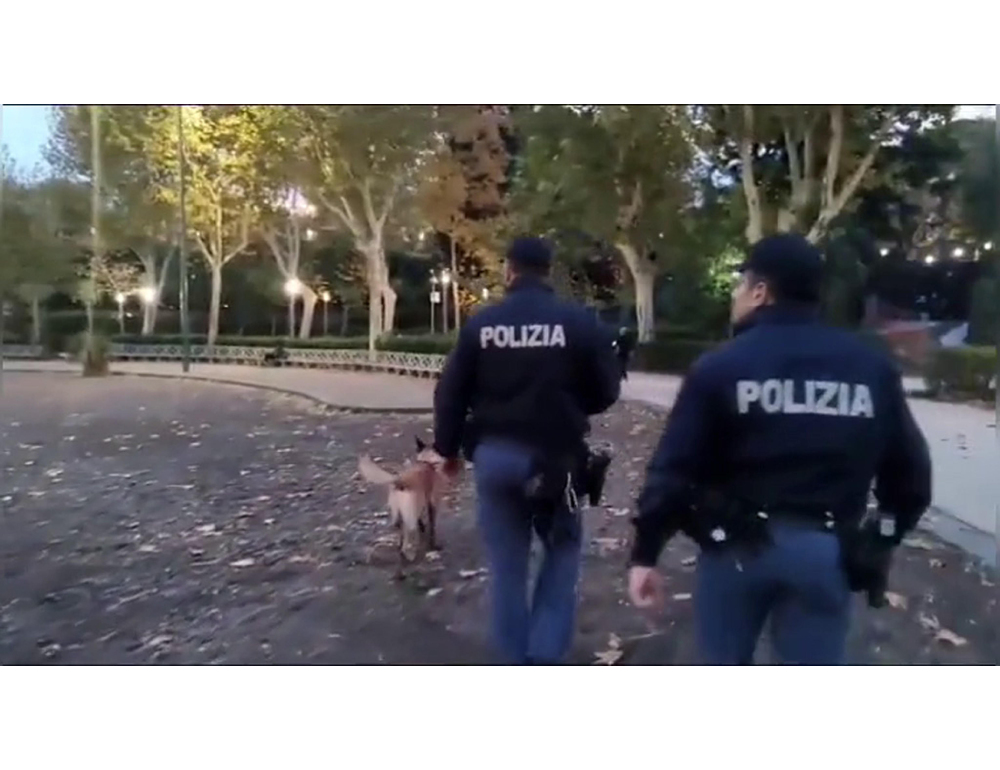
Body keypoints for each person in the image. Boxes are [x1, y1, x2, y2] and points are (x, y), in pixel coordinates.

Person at [627, 233, 932, 665]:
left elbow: (673, 471)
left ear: (760, 292)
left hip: (734, 549)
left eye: (740, 285)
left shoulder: (721, 366)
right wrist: (881, 537)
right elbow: (911, 476)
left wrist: (645, 553)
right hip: (825, 551)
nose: (735, 295)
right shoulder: (871, 368)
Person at [430, 236, 622, 665]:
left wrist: (447, 449)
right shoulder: (577, 322)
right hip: (556, 460)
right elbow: (606, 389)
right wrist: (572, 405)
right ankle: (546, 655)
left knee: (506, 569)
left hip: (495, 457)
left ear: (509, 271)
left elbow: (450, 392)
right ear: (548, 271)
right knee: (562, 554)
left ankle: (513, 661)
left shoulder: (482, 324)